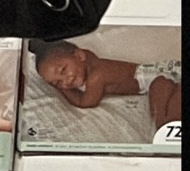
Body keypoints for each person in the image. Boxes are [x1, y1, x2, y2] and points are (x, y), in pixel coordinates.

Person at [29, 39, 181, 131]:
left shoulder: (97, 77)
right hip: (162, 74)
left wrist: (63, 90)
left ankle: (164, 127)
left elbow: (85, 102)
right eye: (57, 82)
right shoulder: (91, 62)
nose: (66, 81)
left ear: (79, 56)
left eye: (63, 70)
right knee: (169, 103)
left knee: (161, 117)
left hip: (158, 76)